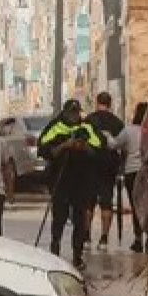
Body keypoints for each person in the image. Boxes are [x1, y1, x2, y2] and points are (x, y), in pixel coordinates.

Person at [38, 99, 105, 270]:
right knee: (59, 218)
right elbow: (43, 149)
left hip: (81, 181)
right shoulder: (55, 127)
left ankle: (77, 255)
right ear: (65, 112)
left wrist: (84, 147)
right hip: (60, 180)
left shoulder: (87, 127)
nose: (75, 116)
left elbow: (100, 148)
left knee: (79, 220)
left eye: (77, 113)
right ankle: (55, 250)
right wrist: (64, 146)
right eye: (71, 113)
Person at [85, 92, 125, 250]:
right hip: (109, 167)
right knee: (106, 203)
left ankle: (86, 237)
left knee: (88, 203)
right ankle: (104, 238)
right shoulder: (117, 123)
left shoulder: (89, 120)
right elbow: (122, 147)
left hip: (90, 166)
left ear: (97, 102)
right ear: (110, 103)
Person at [113, 101, 148, 253]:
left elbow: (114, 144)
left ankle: (138, 239)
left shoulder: (128, 131)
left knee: (136, 206)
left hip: (131, 172)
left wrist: (107, 136)